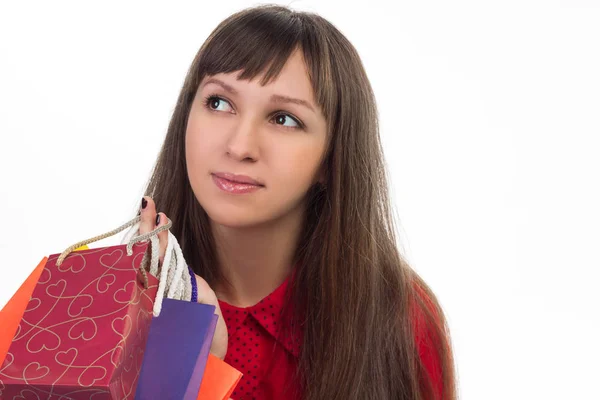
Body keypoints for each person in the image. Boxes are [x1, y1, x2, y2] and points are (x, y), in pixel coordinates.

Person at [136, 4, 456, 400]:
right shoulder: (117, 300)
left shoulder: (398, 319)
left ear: (331, 157)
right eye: (219, 103)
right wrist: (185, 366)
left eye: (284, 118)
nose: (239, 146)